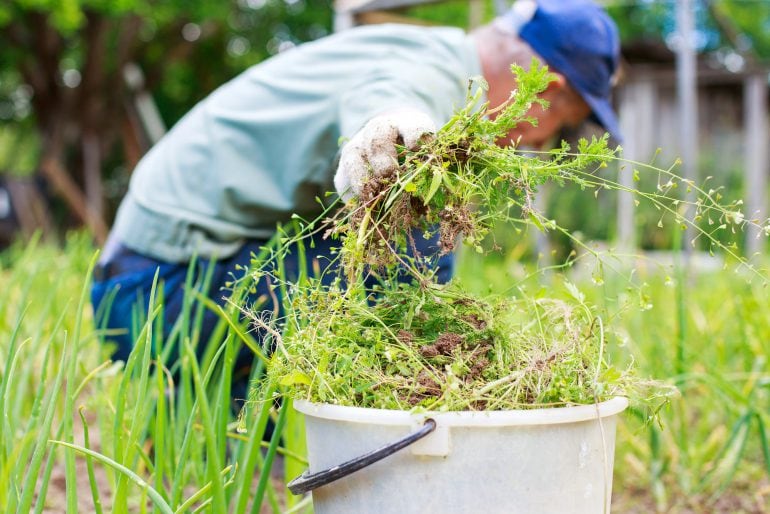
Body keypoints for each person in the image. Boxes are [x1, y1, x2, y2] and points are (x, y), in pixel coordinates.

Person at [91, 0, 622, 393]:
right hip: (151, 298)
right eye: (554, 128)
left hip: (163, 276)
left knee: (402, 251)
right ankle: (392, 418)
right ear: (544, 90)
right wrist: (394, 129)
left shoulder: (430, 50)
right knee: (418, 243)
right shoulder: (433, 74)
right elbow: (392, 94)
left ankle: (235, 413)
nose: (535, 143)